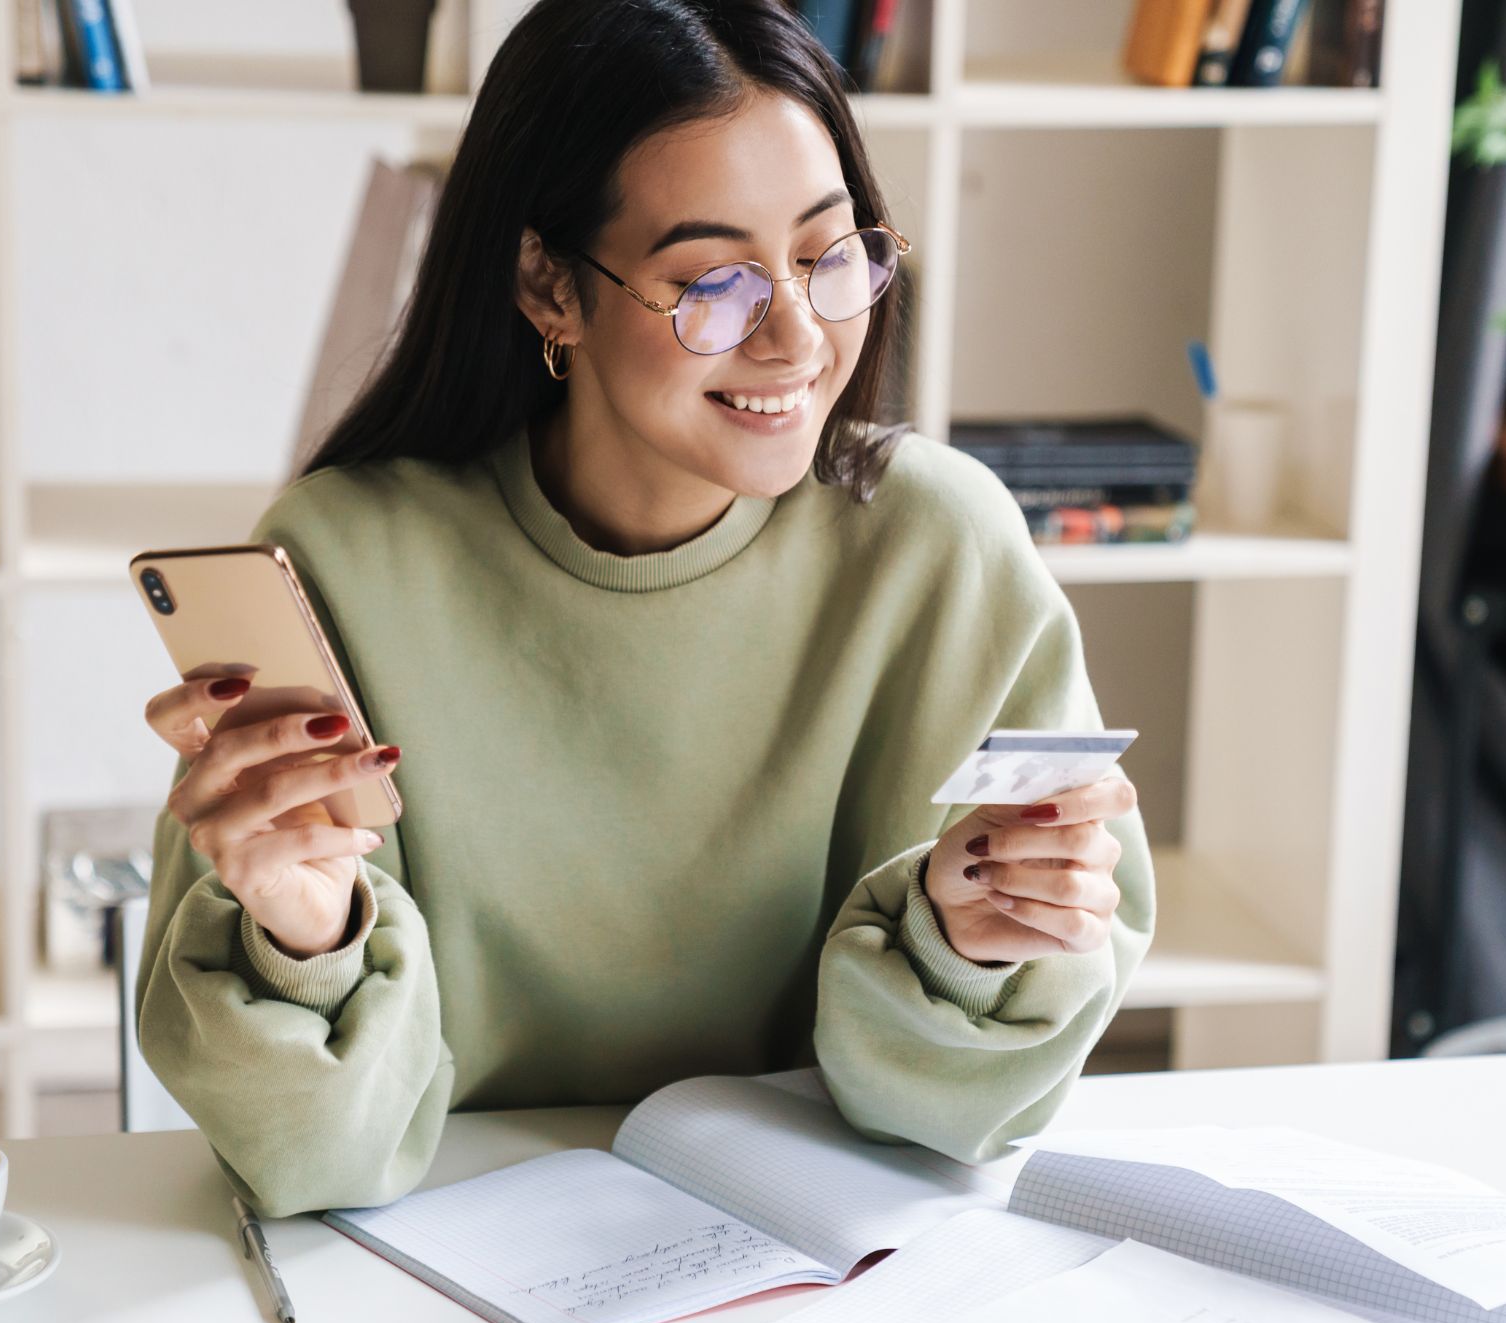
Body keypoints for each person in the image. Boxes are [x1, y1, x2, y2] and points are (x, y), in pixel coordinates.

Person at [133, 0, 1154, 1218]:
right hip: (442, 1257)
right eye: (712, 281)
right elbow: (319, 1163)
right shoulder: (344, 559)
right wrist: (305, 936)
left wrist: (973, 941)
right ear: (547, 284)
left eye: (831, 258)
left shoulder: (941, 547)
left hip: (827, 1259)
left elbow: (957, 1127)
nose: (795, 337)